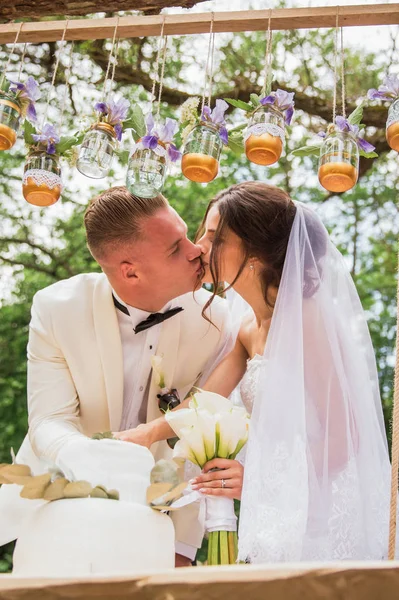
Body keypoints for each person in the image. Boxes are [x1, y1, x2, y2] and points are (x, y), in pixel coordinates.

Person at [138, 181, 392, 562]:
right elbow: (205, 404)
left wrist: (255, 480)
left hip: (322, 514)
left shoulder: (309, 320)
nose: (199, 247)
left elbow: (345, 437)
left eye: (214, 238)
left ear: (254, 251)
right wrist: (141, 435)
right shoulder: (246, 327)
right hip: (276, 513)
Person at [0, 186, 232, 567]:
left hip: (157, 527)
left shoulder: (215, 320)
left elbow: (199, 437)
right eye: (175, 248)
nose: (196, 251)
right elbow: (49, 420)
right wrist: (101, 458)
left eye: (186, 235)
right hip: (60, 513)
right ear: (130, 271)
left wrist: (184, 545)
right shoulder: (56, 308)